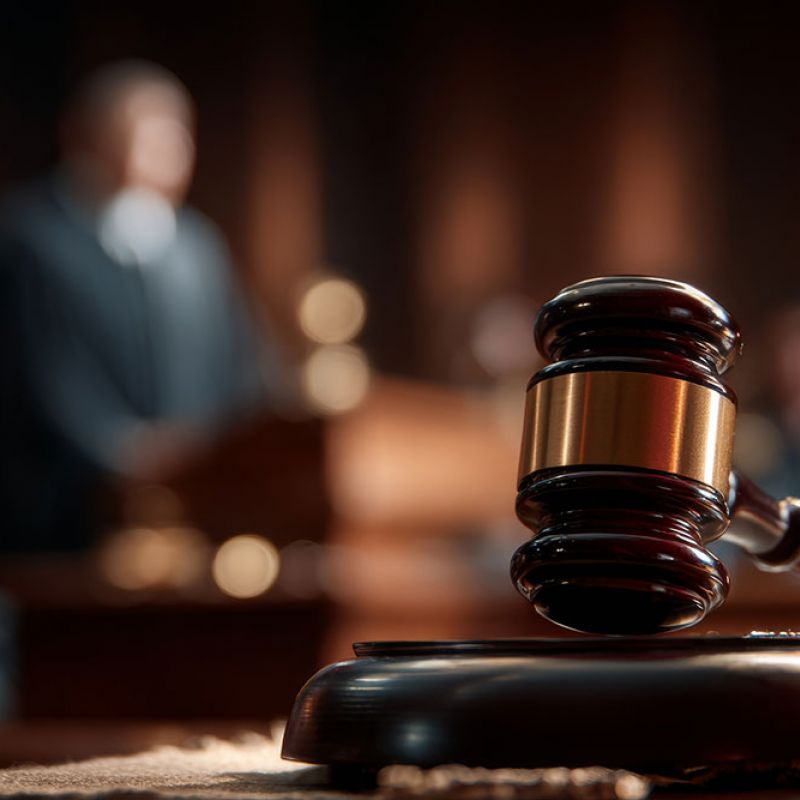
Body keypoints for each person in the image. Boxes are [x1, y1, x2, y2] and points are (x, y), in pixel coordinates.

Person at [0, 61, 281, 552]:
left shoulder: (196, 248)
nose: (165, 157)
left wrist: (231, 448)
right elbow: (44, 375)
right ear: (89, 140)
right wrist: (126, 454)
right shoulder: (33, 241)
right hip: (68, 520)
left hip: (196, 510)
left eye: (177, 139)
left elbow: (245, 370)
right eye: (147, 137)